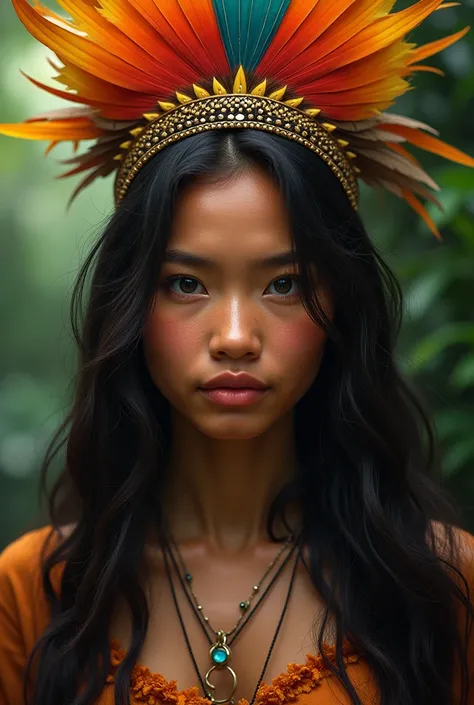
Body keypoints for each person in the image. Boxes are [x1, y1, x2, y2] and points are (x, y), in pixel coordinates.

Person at [0, 2, 474, 705]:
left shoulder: (446, 585)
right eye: (186, 283)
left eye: (282, 283)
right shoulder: (34, 592)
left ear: (340, 304)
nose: (232, 335)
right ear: (130, 302)